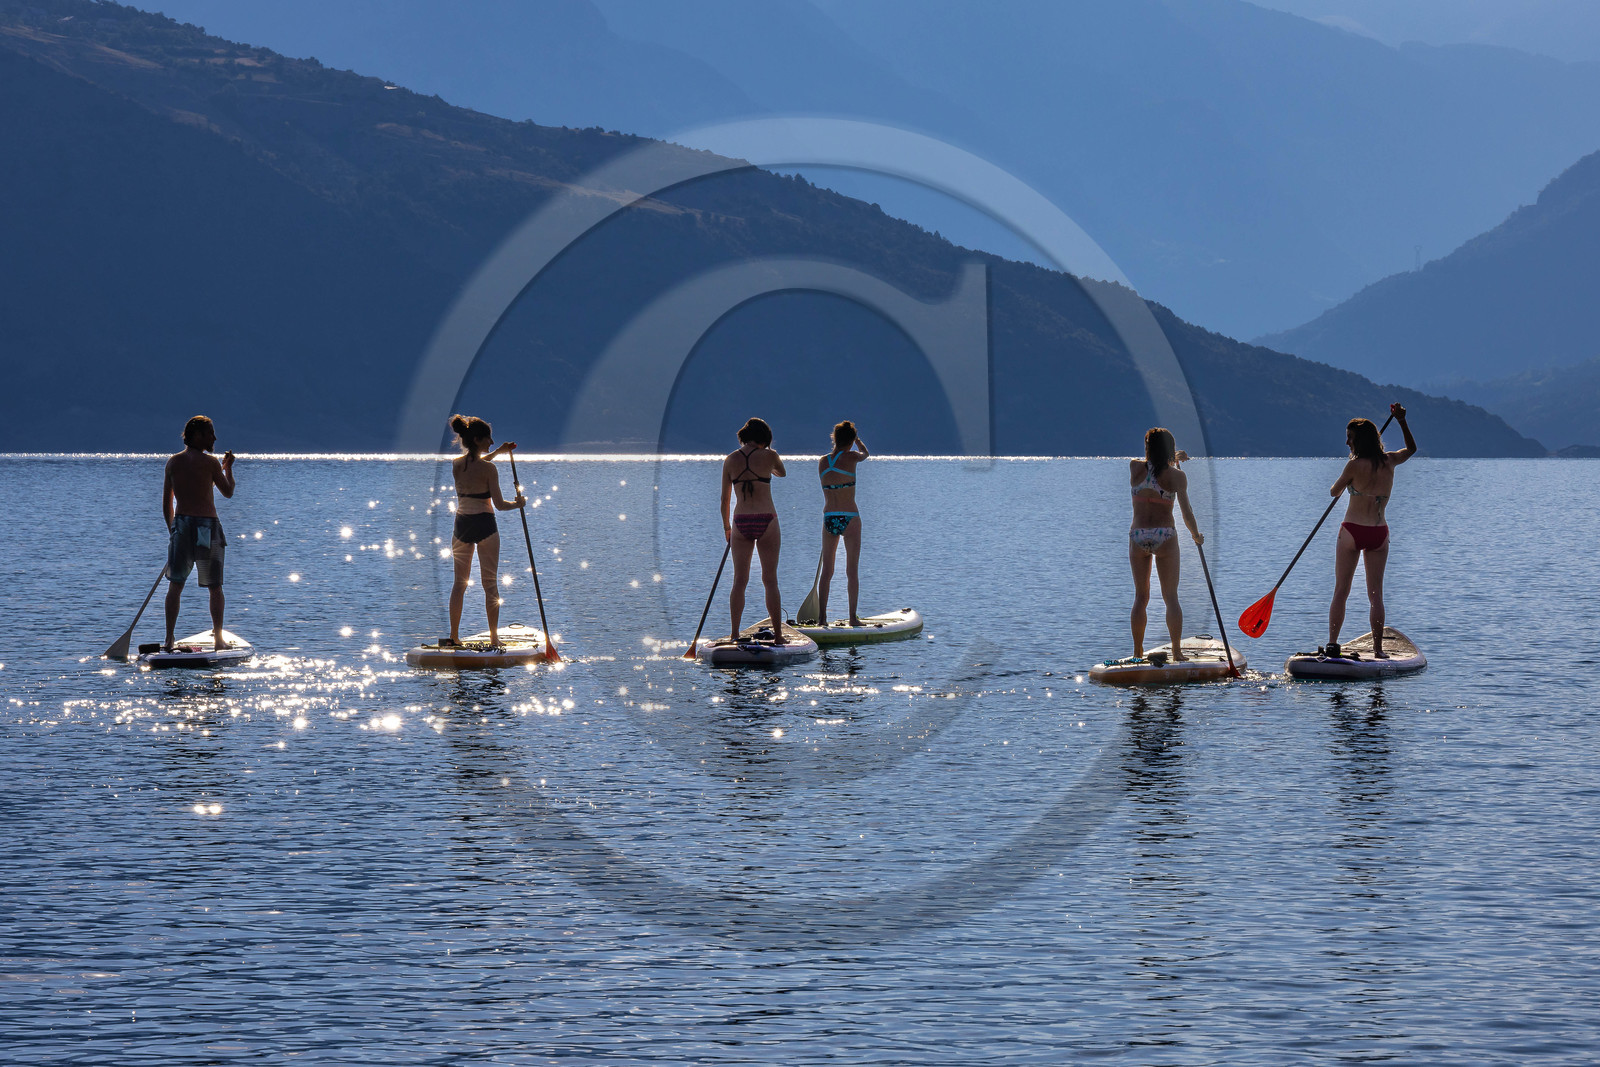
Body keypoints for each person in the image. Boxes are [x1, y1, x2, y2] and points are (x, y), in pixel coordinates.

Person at [1326, 403, 1417, 657]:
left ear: (1360, 440)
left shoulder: (1354, 466)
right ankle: (1378, 650)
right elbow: (1411, 449)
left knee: (1341, 590)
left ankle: (1333, 643)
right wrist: (1401, 421)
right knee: (1376, 595)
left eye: (1350, 438)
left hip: (1352, 531)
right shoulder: (1390, 461)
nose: (1347, 443)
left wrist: (1347, 482)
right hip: (1378, 532)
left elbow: (1334, 491)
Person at [445, 414, 525, 647]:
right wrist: (518, 504)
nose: (491, 441)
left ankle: (454, 636)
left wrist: (498, 451)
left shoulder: (456, 465)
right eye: (488, 438)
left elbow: (476, 464)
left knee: (459, 584)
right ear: (478, 439)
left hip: (461, 526)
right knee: (489, 584)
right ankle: (494, 638)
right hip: (485, 525)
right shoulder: (489, 470)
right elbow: (500, 505)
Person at [1127, 427, 1203, 660]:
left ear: (1148, 447)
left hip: (1138, 535)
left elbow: (1149, 462)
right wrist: (1195, 535)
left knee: (1141, 597)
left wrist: (1171, 457)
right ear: (1169, 449)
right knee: (1171, 597)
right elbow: (1187, 512)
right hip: (1165, 536)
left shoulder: (1134, 467)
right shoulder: (1177, 476)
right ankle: (1177, 652)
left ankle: (1137, 652)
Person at [162, 415, 235, 651]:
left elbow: (167, 503)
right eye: (210, 432)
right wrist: (229, 470)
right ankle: (218, 640)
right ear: (197, 435)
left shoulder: (173, 463)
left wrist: (173, 530)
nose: (214, 437)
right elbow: (228, 492)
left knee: (176, 585)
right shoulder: (211, 463)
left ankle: (169, 639)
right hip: (207, 527)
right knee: (215, 587)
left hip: (182, 526)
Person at [721, 417, 787, 641]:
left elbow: (724, 500)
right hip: (767, 519)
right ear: (764, 438)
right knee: (770, 580)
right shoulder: (770, 455)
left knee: (739, 581)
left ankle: (733, 634)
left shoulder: (730, 460)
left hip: (740, 522)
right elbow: (782, 472)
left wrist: (727, 528)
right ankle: (778, 635)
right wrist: (767, 460)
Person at [816, 420, 869, 625]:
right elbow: (866, 454)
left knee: (827, 571)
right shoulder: (853, 457)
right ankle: (853, 618)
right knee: (851, 571)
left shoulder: (822, 461)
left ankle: (822, 619)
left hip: (829, 517)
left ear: (835, 438)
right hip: (849, 517)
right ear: (851, 440)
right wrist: (858, 441)